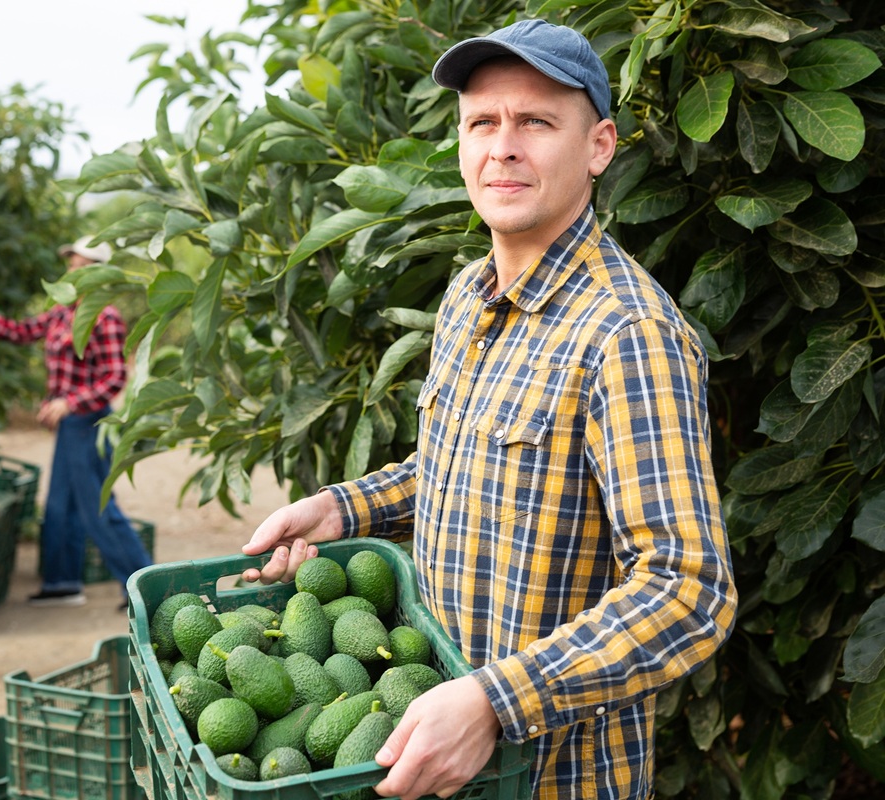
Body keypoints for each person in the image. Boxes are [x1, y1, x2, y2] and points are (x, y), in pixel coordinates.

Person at [241, 19, 737, 800]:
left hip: (551, 778)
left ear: (600, 146)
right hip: (421, 754)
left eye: (535, 122)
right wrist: (341, 510)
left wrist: (495, 702)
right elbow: (456, 469)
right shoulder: (469, 295)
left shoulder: (626, 335)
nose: (503, 146)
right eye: (483, 122)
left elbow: (688, 589)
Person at [0, 236, 152, 610]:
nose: (72, 270)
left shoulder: (104, 317)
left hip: (88, 423)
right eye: (71, 264)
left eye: (81, 264)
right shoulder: (62, 312)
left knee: (97, 507)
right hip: (69, 426)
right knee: (60, 507)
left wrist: (69, 403)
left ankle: (142, 587)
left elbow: (114, 378)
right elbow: (21, 331)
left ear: (100, 273)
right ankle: (62, 582)